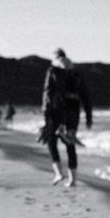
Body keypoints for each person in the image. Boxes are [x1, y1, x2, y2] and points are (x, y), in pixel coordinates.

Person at [41, 47, 92, 187]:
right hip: (73, 111)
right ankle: (72, 179)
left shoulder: (53, 70)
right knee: (70, 143)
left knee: (51, 140)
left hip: (57, 110)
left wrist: (45, 111)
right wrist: (88, 116)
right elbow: (85, 95)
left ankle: (59, 173)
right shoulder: (75, 72)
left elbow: (47, 91)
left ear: (55, 57)